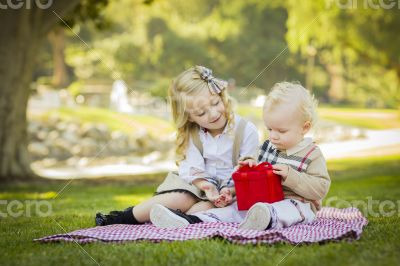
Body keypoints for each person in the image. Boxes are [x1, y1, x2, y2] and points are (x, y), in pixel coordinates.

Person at [149, 81, 331, 231]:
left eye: (281, 131)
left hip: (298, 204)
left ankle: (265, 219)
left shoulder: (311, 154)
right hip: (262, 201)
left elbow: (321, 188)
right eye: (269, 129)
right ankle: (189, 221)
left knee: (285, 209)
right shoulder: (268, 147)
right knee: (233, 209)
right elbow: (257, 179)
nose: (273, 136)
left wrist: (291, 176)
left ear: (304, 128)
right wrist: (237, 184)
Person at [95, 66, 259, 226]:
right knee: (180, 198)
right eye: (201, 113)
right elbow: (192, 167)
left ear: (222, 96)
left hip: (232, 190)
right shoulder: (193, 134)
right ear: (189, 118)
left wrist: (227, 192)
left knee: (202, 210)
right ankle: (122, 218)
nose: (213, 113)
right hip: (198, 184)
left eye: (216, 103)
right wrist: (205, 185)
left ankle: (178, 218)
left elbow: (247, 170)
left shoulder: (245, 130)